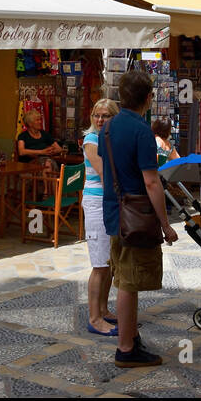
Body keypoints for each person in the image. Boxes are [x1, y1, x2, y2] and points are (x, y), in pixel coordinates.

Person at [101, 70, 179, 368]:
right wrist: (165, 224)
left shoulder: (108, 128)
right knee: (128, 283)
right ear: (148, 98)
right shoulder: (142, 131)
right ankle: (125, 348)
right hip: (135, 217)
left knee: (123, 278)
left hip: (114, 214)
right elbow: (151, 182)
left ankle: (130, 337)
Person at [82, 99, 120, 337]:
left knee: (109, 264)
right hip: (97, 204)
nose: (99, 120)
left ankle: (104, 309)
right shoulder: (91, 140)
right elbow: (106, 174)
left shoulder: (110, 140)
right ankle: (95, 319)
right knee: (99, 265)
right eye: (96, 115)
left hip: (110, 204)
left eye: (105, 116)